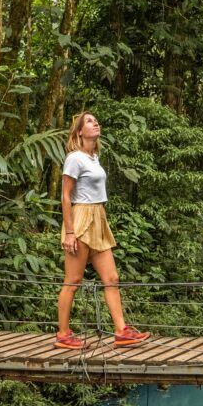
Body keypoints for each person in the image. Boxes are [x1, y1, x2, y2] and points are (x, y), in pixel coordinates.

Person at [54, 111, 150, 350]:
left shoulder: (93, 157)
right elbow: (65, 196)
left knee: (112, 278)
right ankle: (63, 334)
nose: (95, 122)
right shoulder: (75, 158)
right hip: (81, 217)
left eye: (96, 120)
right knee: (73, 279)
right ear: (79, 132)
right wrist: (69, 232)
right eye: (89, 121)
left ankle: (121, 331)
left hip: (99, 218)